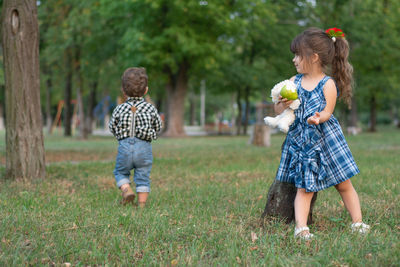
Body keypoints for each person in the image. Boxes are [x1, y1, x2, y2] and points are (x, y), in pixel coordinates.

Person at [274, 27, 369, 240]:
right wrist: (281, 104)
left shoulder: (328, 84)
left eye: (298, 55)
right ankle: (302, 228)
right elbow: (280, 110)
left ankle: (358, 222)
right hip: (303, 142)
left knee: (344, 183)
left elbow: (328, 111)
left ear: (314, 57)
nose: (294, 60)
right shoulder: (293, 82)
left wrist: (319, 117)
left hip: (326, 140)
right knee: (304, 187)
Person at [109, 67, 162, 207]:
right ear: (146, 90)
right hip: (144, 147)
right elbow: (158, 125)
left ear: (123, 90)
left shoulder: (119, 108)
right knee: (143, 176)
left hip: (124, 146)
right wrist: (153, 134)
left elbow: (112, 126)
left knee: (120, 172)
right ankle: (142, 205)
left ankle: (126, 190)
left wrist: (120, 137)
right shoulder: (150, 108)